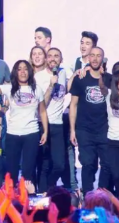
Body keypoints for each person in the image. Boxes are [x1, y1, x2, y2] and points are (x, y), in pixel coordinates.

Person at [70, 45, 112, 191]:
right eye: (92, 55)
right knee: (88, 164)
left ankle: (102, 194)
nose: (95, 59)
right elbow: (73, 104)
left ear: (103, 59)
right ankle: (88, 196)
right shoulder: (80, 78)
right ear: (88, 58)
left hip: (105, 128)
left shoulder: (109, 79)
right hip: (84, 129)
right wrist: (72, 130)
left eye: (98, 56)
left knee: (107, 164)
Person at [1, 60, 48, 182]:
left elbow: (43, 111)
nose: (22, 72)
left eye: (25, 69)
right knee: (12, 173)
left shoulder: (37, 90)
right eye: (19, 69)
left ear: (30, 72)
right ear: (15, 72)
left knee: (28, 172)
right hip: (12, 134)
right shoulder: (9, 88)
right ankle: (12, 194)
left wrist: (45, 131)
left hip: (31, 134)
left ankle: (26, 194)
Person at [41, 47, 68, 190]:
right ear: (46, 59)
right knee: (44, 164)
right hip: (43, 124)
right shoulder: (39, 77)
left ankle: (49, 188)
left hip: (58, 124)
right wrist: (51, 85)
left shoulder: (63, 73)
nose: (53, 59)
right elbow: (42, 104)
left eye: (56, 56)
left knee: (59, 165)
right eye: (50, 56)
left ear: (61, 60)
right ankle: (42, 193)